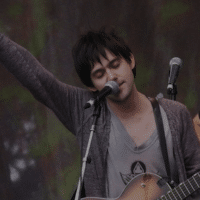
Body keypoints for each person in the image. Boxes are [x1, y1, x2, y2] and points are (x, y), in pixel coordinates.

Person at [0, 28, 200, 199]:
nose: (111, 76)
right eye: (99, 74)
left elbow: (195, 176)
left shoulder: (175, 114)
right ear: (91, 85)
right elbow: (38, 79)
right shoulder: (87, 110)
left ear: (130, 60)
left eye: (115, 65)